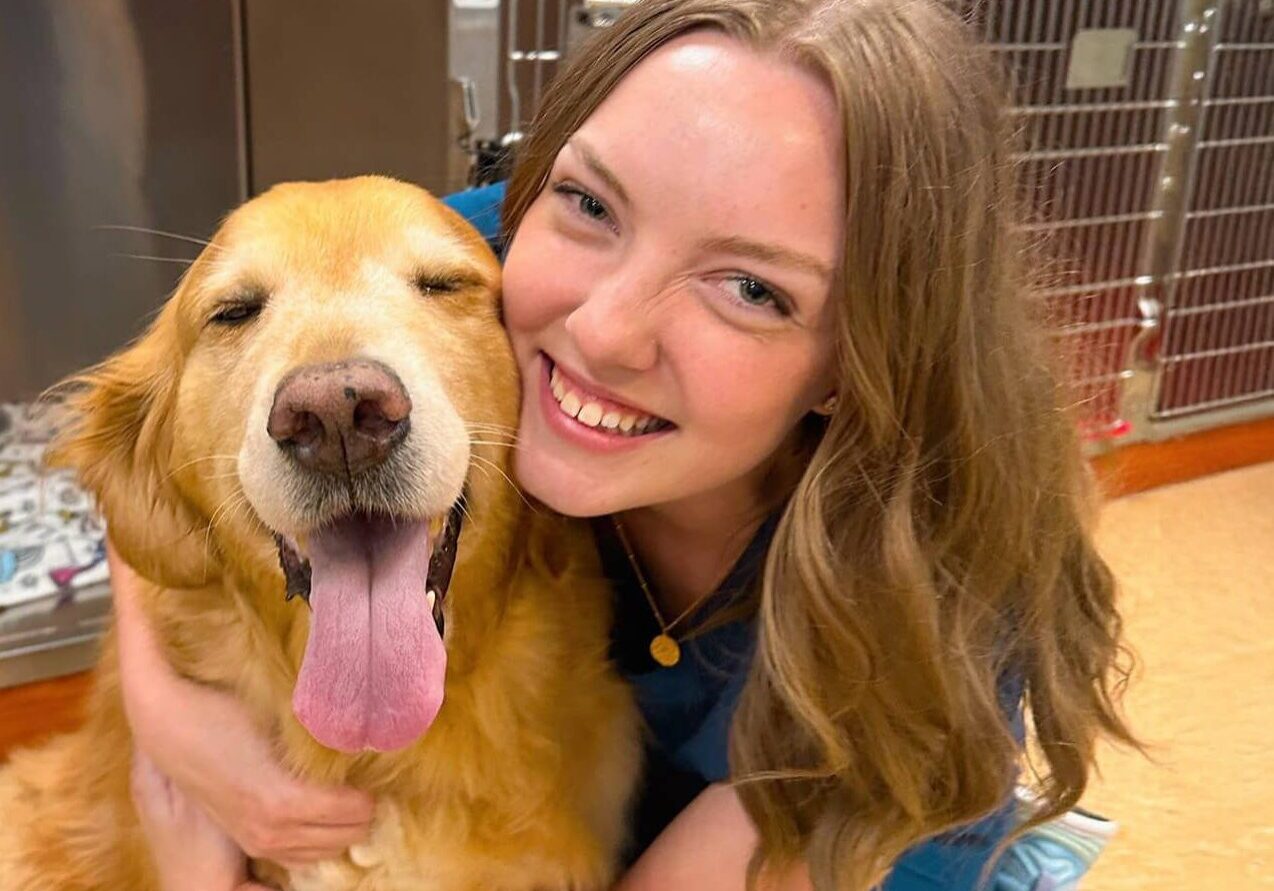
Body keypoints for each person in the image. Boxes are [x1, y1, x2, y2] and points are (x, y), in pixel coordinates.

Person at [113, 1, 1138, 889]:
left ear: (857, 358)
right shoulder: (481, 262)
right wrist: (165, 719)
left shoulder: (927, 627)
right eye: (594, 204)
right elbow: (170, 408)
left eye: (751, 289)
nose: (600, 332)